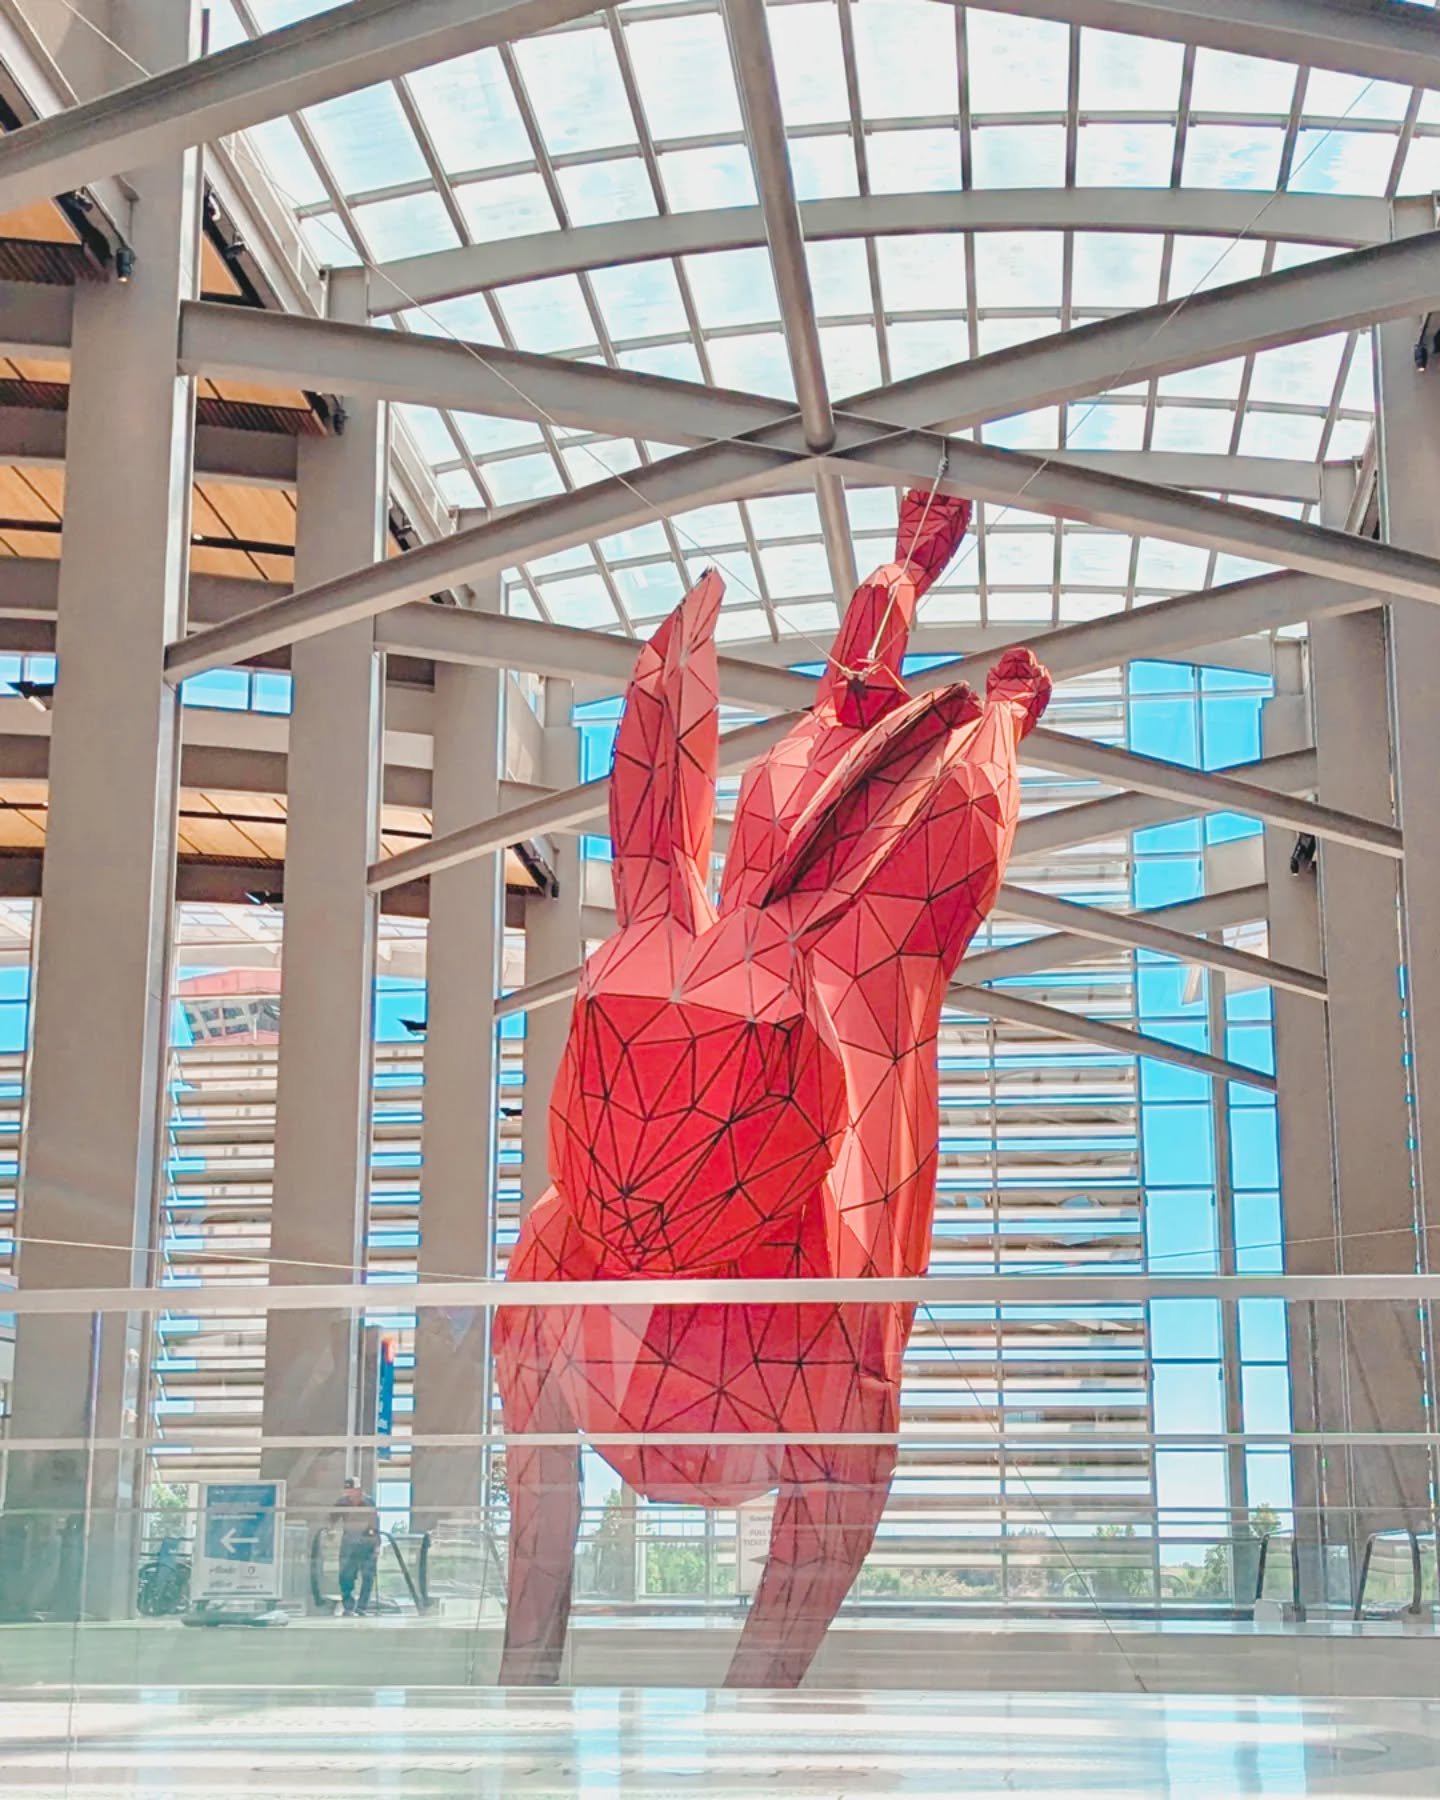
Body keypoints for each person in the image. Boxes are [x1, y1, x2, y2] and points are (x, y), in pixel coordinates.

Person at [329, 1477, 379, 1617]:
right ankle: (348, 1606)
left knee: (368, 1576)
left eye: (353, 1490)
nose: (350, 1493)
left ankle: (362, 1607)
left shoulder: (369, 1502)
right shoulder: (342, 1502)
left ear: (359, 1490)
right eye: (348, 1490)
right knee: (346, 1575)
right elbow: (332, 1519)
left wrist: (376, 1545)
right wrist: (330, 1530)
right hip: (349, 1543)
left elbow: (375, 1524)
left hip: (366, 1542)